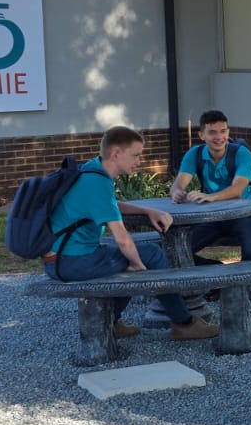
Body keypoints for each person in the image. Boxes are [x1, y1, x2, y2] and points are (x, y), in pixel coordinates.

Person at [45, 126, 220, 341]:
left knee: (133, 258)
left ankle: (111, 321)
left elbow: (109, 204)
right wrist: (138, 265)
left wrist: (147, 211)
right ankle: (183, 323)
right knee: (149, 254)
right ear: (116, 153)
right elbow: (122, 239)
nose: (139, 161)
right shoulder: (97, 182)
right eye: (135, 155)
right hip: (71, 263)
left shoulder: (91, 170)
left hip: (64, 259)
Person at [171, 110, 251, 303]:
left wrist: (210, 197)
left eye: (223, 131)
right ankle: (218, 272)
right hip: (212, 216)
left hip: (246, 213)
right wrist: (177, 192)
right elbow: (179, 183)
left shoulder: (242, 154)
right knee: (179, 250)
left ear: (228, 131)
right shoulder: (195, 154)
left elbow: (237, 189)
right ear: (202, 135)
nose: (219, 137)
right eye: (212, 132)